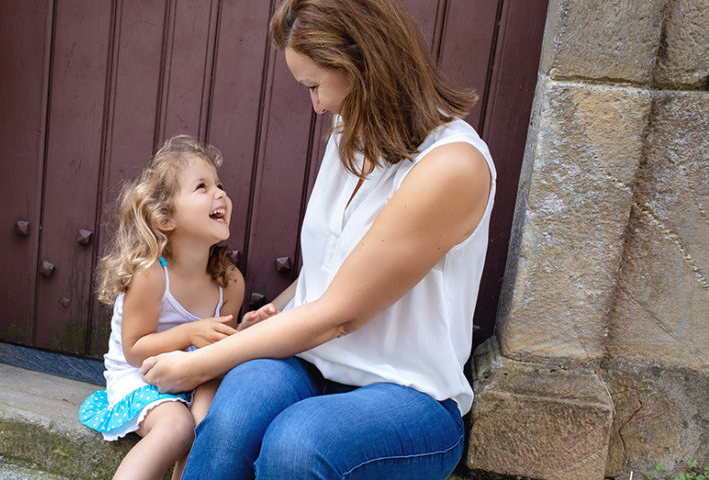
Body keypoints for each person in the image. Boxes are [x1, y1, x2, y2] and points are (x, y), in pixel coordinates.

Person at [139, 0, 495, 478]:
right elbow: (332, 272)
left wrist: (197, 364)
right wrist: (279, 309)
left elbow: (341, 314)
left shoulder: (453, 166)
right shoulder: (351, 133)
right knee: (233, 417)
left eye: (314, 85)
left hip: (408, 393)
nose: (317, 105)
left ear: (363, 65)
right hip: (311, 364)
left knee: (298, 444)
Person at [78, 135, 245, 480]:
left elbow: (223, 348)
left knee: (206, 420)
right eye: (202, 187)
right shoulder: (151, 274)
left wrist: (248, 329)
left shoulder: (230, 281)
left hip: (197, 373)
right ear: (165, 218)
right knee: (176, 426)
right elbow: (135, 350)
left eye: (220, 185)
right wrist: (188, 332)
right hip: (140, 376)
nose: (220, 194)